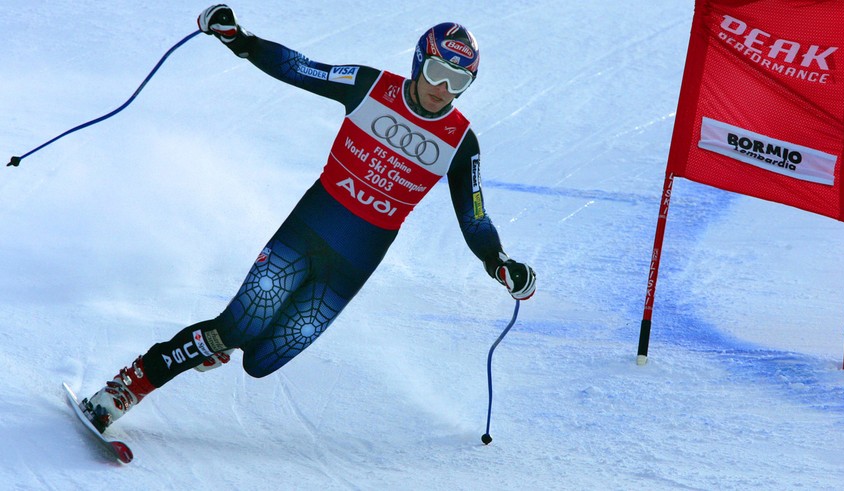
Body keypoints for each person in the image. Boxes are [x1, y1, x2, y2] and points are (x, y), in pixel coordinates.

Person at [80, 4, 537, 434]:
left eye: (457, 82)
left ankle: (215, 342)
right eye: (437, 72)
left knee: (262, 360)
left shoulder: (461, 143)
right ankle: (125, 388)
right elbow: (298, 67)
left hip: (356, 260)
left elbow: (475, 218)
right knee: (239, 325)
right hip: (307, 231)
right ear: (420, 63)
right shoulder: (369, 86)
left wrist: (499, 262)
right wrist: (239, 39)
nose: (442, 89)